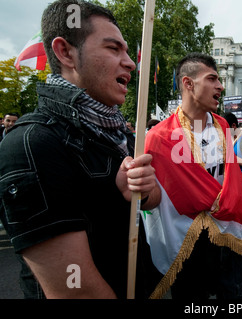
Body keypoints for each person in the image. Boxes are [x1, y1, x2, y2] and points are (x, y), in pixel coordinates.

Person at [0, 0, 161, 299]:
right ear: (65, 53)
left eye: (127, 51)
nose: (130, 62)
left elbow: (151, 201)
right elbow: (76, 292)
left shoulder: (118, 132)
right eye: (114, 49)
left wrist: (145, 188)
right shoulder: (33, 144)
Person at [143, 52, 242, 299]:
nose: (220, 86)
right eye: (212, 79)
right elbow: (152, 198)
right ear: (188, 83)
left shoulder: (223, 126)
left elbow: (230, 178)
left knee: (234, 296)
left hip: (229, 232)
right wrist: (140, 191)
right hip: (187, 240)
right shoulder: (158, 137)